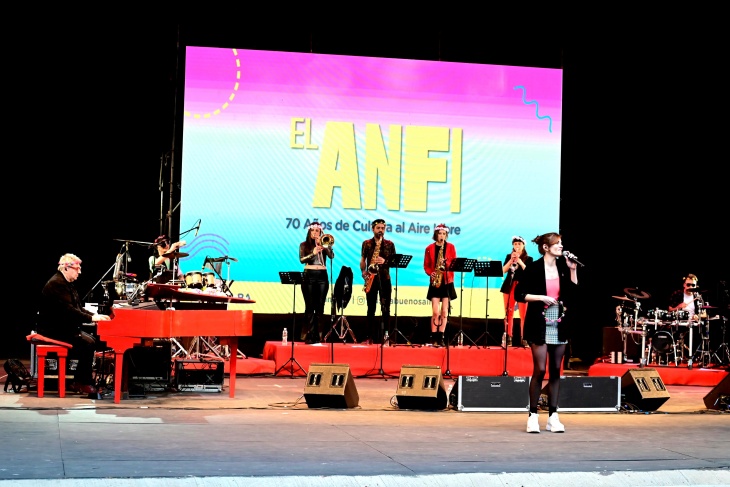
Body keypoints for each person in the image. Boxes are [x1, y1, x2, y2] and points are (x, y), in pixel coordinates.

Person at [515, 233, 579, 433]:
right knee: (540, 369)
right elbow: (519, 294)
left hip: (559, 322)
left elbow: (573, 294)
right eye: (557, 243)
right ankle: (533, 416)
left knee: (555, 370)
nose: (561, 246)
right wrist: (541, 297)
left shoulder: (563, 267)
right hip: (539, 322)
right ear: (545, 247)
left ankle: (553, 416)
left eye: (561, 243)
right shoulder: (533, 268)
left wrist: (573, 270)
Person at [35, 253, 111, 395]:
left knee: (91, 340)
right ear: (66, 268)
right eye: (77, 268)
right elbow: (69, 311)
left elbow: (78, 308)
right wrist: (92, 319)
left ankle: (78, 381)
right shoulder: (57, 284)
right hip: (52, 330)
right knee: (87, 343)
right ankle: (83, 382)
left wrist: (95, 316)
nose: (79, 272)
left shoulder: (66, 284)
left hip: (61, 327)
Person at [360, 218, 396, 344]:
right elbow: (363, 260)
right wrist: (363, 271)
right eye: (378, 228)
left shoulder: (390, 244)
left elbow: (393, 262)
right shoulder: (366, 243)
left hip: (385, 278)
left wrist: (385, 261)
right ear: (373, 229)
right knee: (371, 308)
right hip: (371, 278)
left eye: (383, 228)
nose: (381, 230)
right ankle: (369, 336)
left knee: (386, 308)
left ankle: (386, 336)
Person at [298, 222, 335, 343]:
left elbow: (331, 256)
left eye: (317, 231)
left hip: (322, 276)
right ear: (309, 232)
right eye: (312, 230)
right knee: (309, 307)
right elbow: (302, 260)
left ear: (320, 233)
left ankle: (319, 335)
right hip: (309, 275)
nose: (315, 233)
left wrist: (325, 246)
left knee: (320, 307)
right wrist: (312, 253)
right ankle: (309, 334)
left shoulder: (324, 243)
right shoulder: (304, 245)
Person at [423, 223, 457, 346]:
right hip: (435, 282)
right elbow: (426, 265)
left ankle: (441, 336)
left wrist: (446, 263)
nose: (442, 236)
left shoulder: (451, 247)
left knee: (444, 312)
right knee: (435, 312)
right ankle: (433, 336)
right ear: (436, 235)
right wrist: (430, 273)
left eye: (444, 234)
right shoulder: (429, 248)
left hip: (447, 282)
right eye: (440, 234)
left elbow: (453, 264)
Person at [500, 236, 533, 347]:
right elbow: (503, 271)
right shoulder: (509, 256)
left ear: (523, 245)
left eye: (519, 244)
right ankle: (508, 337)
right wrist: (511, 261)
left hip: (522, 287)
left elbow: (529, 272)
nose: (517, 246)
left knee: (523, 314)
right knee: (508, 312)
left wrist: (519, 261)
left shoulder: (529, 258)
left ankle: (524, 338)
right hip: (509, 286)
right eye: (515, 244)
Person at [668, 274, 703, 360]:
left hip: (693, 323)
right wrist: (679, 306)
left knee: (701, 332)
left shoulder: (697, 297)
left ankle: (694, 356)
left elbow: (703, 312)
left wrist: (698, 316)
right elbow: (669, 310)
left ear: (696, 286)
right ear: (684, 285)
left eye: (693, 285)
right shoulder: (677, 294)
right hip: (679, 322)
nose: (690, 287)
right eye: (688, 284)